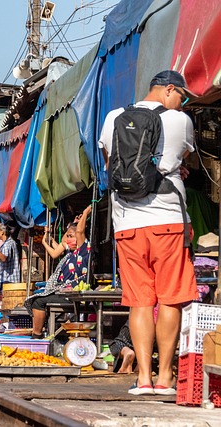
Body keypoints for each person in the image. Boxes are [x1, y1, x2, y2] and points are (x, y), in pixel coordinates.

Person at [99, 70, 198, 396]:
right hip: (167, 222)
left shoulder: (114, 116)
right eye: (180, 96)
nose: (181, 103)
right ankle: (165, 377)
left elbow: (110, 163)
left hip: (127, 225)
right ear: (169, 89)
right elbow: (181, 158)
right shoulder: (179, 120)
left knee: (140, 302)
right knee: (170, 299)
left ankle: (142, 378)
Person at [24, 205, 92, 339]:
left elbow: (79, 232)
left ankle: (36, 335)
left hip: (72, 295)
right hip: (62, 292)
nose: (68, 239)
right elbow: (60, 244)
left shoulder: (84, 250)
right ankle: (44, 331)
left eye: (71, 236)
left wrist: (86, 212)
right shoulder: (71, 252)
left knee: (38, 301)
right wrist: (47, 237)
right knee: (39, 300)